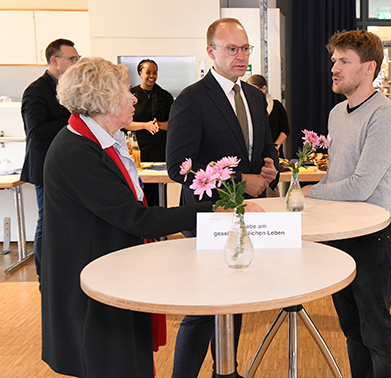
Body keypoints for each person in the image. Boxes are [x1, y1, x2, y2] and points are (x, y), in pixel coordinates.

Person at [39, 56, 261, 378]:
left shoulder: (99, 142)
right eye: (123, 91)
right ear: (101, 99)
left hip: (111, 274)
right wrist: (212, 209)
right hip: (91, 290)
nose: (133, 97)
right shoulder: (76, 151)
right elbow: (137, 219)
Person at [165, 18, 280, 378]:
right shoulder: (191, 99)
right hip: (205, 216)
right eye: (232, 49)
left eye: (245, 48)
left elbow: (262, 148)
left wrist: (269, 167)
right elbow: (178, 167)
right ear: (211, 52)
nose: (241, 56)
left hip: (243, 217)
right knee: (203, 309)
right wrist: (240, 180)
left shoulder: (254, 97)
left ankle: (225, 372)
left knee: (235, 299)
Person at [301, 30, 391, 377]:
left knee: (377, 333)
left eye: (344, 61)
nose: (335, 68)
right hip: (339, 234)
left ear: (369, 68)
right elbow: (337, 176)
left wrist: (310, 193)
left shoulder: (385, 115)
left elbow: (360, 187)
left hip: (372, 237)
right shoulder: (337, 114)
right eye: (334, 61)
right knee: (352, 330)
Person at [20, 38, 78, 279]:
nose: (76, 63)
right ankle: (45, 275)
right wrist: (71, 119)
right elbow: (35, 131)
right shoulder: (35, 91)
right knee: (47, 220)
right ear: (55, 60)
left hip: (66, 165)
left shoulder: (71, 87)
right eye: (72, 59)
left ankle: (64, 268)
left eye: (77, 58)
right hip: (44, 167)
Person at [123, 59, 174, 206]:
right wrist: (145, 126)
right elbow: (125, 124)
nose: (152, 76)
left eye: (155, 73)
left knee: (158, 190)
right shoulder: (131, 95)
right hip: (137, 149)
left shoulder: (165, 96)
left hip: (159, 149)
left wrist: (157, 125)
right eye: (148, 72)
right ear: (140, 73)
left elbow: (173, 124)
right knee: (138, 188)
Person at [245, 74, 290, 197]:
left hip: (273, 153)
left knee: (272, 191)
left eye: (253, 88)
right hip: (257, 158)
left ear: (263, 89)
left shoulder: (276, 106)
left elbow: (285, 130)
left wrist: (276, 146)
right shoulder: (248, 107)